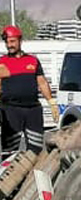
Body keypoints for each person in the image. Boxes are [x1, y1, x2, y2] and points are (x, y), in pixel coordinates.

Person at [0, 26, 58, 154]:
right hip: (11, 111)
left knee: (36, 150)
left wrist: (51, 102)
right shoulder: (2, 63)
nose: (10, 45)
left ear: (20, 41)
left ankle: (33, 174)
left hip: (33, 111)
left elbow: (42, 82)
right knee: (9, 152)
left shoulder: (33, 60)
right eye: (7, 42)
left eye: (12, 41)